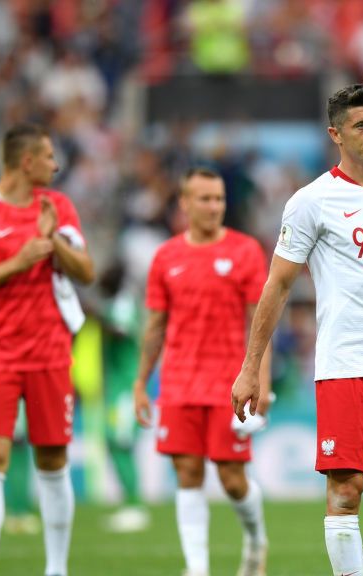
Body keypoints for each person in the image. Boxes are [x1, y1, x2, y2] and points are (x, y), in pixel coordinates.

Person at [232, 84, 363, 576]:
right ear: (335, 134)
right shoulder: (311, 201)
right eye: (360, 125)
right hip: (345, 366)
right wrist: (252, 368)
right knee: (346, 491)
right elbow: (277, 286)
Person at [0, 123, 95, 576]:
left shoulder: (59, 206)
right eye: (49, 156)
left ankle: (56, 568)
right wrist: (17, 262)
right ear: (26, 162)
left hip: (50, 353)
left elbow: (85, 271)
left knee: (52, 458)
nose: (56, 164)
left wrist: (52, 243)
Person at [134, 167, 270, 576]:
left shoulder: (245, 251)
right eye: (205, 199)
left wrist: (260, 381)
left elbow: (259, 323)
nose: (214, 206)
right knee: (187, 473)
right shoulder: (166, 256)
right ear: (185, 203)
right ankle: (197, 568)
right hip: (177, 384)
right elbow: (154, 324)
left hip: (228, 385)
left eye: (219, 199)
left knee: (232, 480)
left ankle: (256, 539)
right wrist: (141, 382)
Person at [98, 262, 150, 533]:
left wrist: (98, 317)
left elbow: (121, 331)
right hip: (117, 387)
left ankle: (134, 504)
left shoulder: (122, 304)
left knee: (120, 443)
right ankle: (130, 502)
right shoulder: (115, 303)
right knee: (114, 442)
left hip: (126, 388)